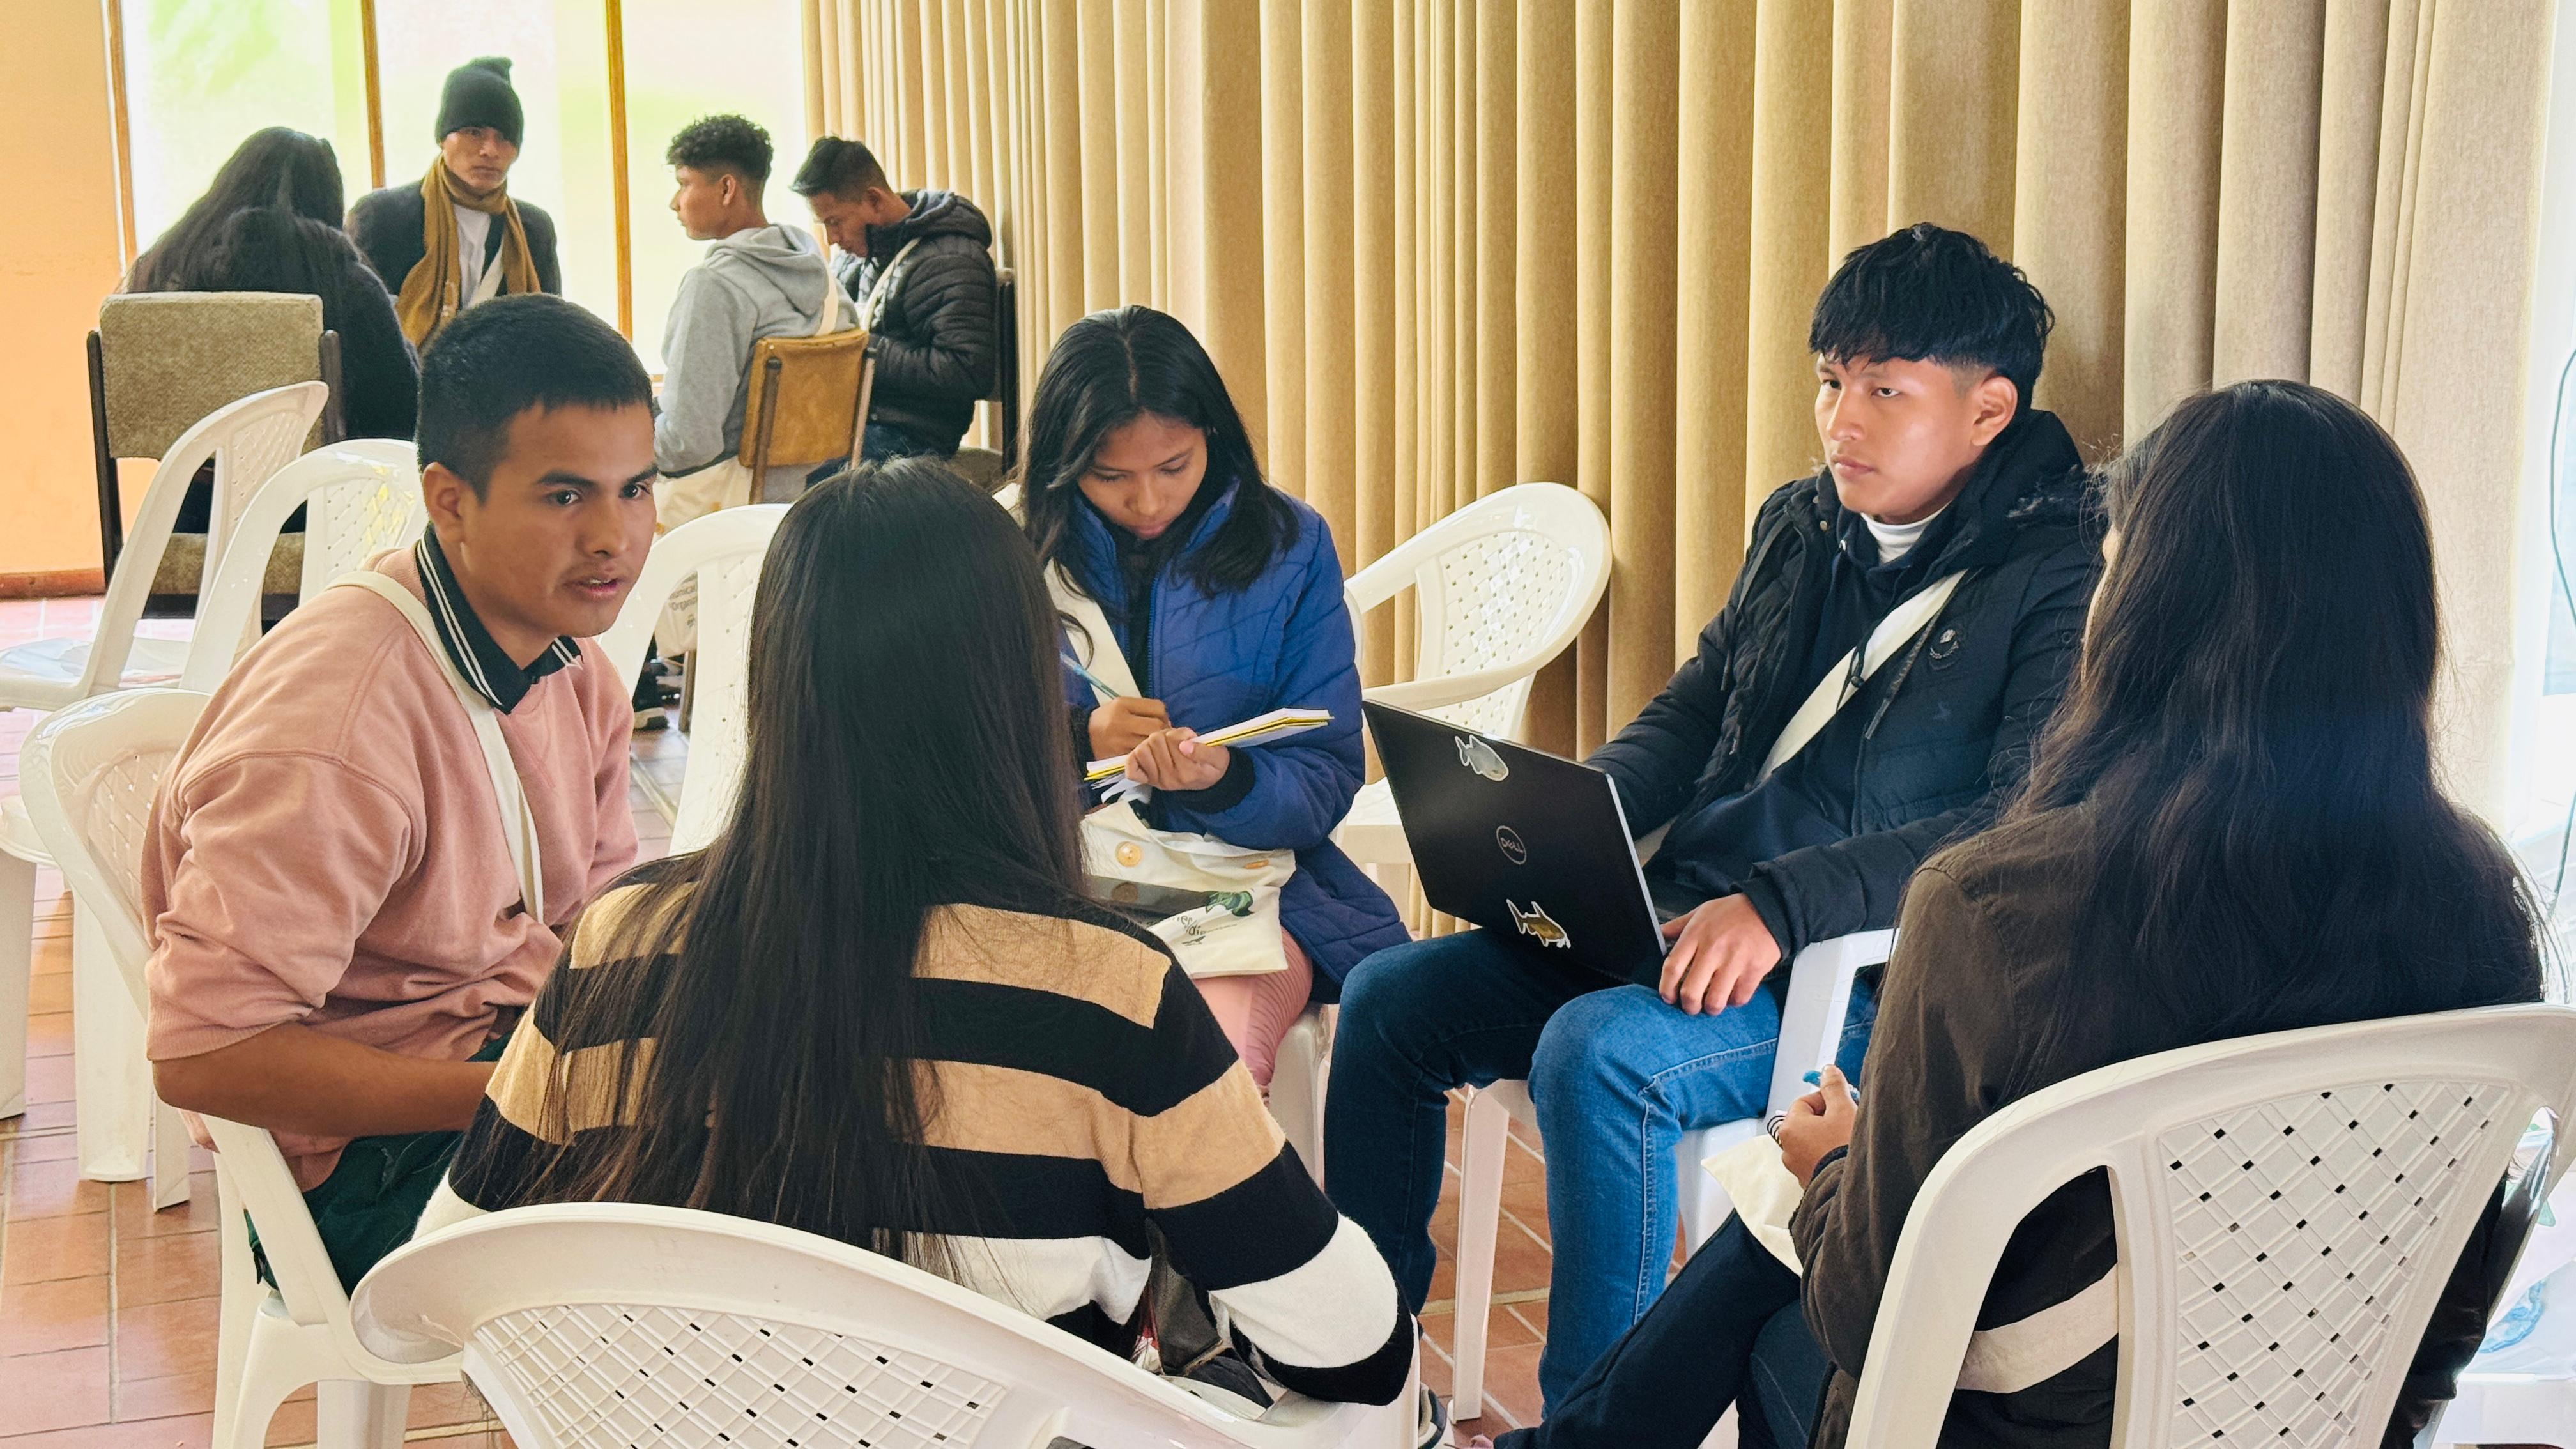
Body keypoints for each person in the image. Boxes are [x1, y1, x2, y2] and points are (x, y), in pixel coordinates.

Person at [1490, 380, 2546, 1449]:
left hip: (2009, 1427)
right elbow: (2448, 1302)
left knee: (1788, 1234)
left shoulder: (2002, 908)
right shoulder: (2475, 906)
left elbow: (1864, 1315)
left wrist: (1831, 1171)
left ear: (2144, 619)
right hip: (2308, 1416)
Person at [416, 463, 1413, 1413]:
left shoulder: (617, 944)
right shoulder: (1109, 993)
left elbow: (447, 1281)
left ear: (776, 682)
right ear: (1016, 697)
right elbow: (1359, 1346)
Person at [1326, 222, 2101, 1409]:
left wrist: (1779, 906)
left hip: (1854, 980)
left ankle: (1593, 1425)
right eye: (1831, 383)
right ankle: (1360, 1379)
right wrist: (1563, 818)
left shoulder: (2057, 570)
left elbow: (2008, 823)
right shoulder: (1802, 524)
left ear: (1987, 409)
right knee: (1388, 999)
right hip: (1693, 925)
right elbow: (1696, 711)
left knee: (1600, 1054)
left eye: (1884, 391)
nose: (1840, 421)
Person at [144, 295, 656, 1290]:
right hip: (366, 1173)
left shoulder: (571, 662)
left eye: (635, 490)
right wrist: (524, 1095)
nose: (613, 536)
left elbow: (588, 921)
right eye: (564, 497)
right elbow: (206, 1055)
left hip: (502, 1057)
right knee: (747, 1231)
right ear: (450, 501)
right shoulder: (337, 731)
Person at [1016, 306, 1407, 1088]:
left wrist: (1225, 781)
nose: (1148, 502)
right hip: (1051, 888)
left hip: (1246, 894)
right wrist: (1076, 738)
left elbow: (1326, 774)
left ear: (1214, 436)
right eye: (1110, 477)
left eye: (1174, 466)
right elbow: (948, 754)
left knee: (1205, 1073)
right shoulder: (1007, 548)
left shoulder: (1290, 545)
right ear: (1062, 464)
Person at [127, 126, 418, 443]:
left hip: (190, 471)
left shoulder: (166, 269)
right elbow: (403, 416)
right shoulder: (348, 285)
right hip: (318, 472)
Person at [654, 114, 850, 509]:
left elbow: (688, 444)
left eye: (684, 184)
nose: (675, 202)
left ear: (727, 189)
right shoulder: (822, 276)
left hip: (718, 512)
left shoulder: (714, 285)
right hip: (801, 502)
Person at [791, 135, 995, 460]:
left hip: (911, 436)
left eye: (835, 222)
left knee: (791, 475)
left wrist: (860, 348)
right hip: (854, 421)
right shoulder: (854, 257)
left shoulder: (952, 257)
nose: (831, 239)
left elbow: (967, 371)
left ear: (874, 200)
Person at [349, 57, 563, 349]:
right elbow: (358, 328)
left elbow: (552, 329)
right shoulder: (382, 218)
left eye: (504, 137)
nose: (490, 150)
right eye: (475, 133)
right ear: (443, 138)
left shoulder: (533, 230)